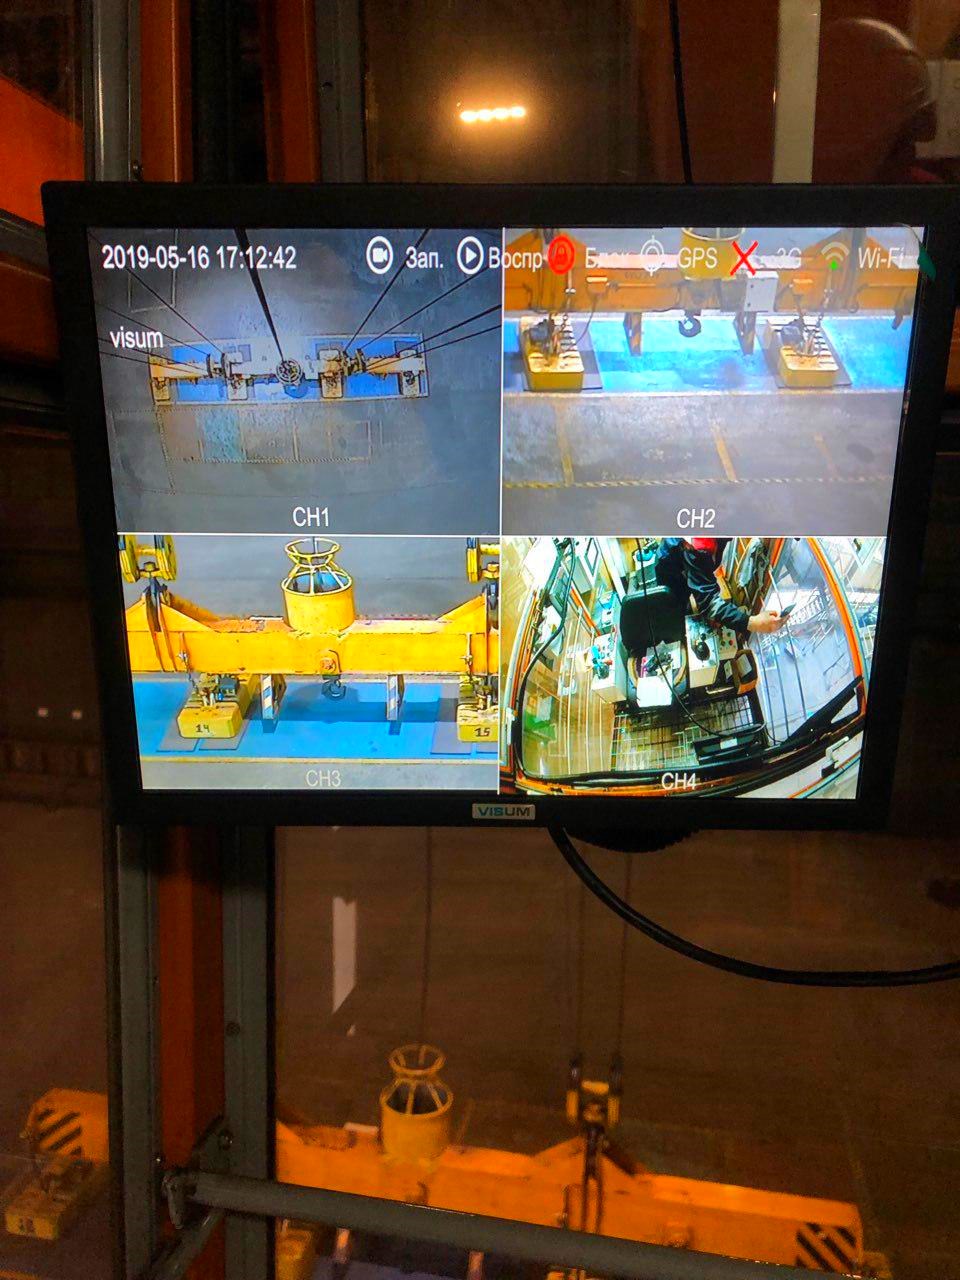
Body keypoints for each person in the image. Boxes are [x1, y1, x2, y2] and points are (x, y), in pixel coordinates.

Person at [654, 537, 786, 636]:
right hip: (671, 571)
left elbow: (705, 575)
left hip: (685, 560)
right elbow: (708, 601)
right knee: (677, 609)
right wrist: (753, 623)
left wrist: (717, 610)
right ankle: (676, 634)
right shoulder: (700, 543)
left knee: (699, 595)